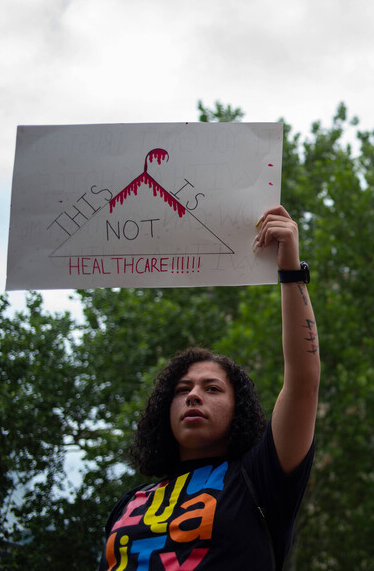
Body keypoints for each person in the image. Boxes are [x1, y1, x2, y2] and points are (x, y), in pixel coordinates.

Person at [98, 206, 320, 571]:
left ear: (239, 409)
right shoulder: (129, 503)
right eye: (182, 389)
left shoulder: (260, 476)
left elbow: (304, 380)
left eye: (213, 389)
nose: (193, 395)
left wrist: (291, 269)